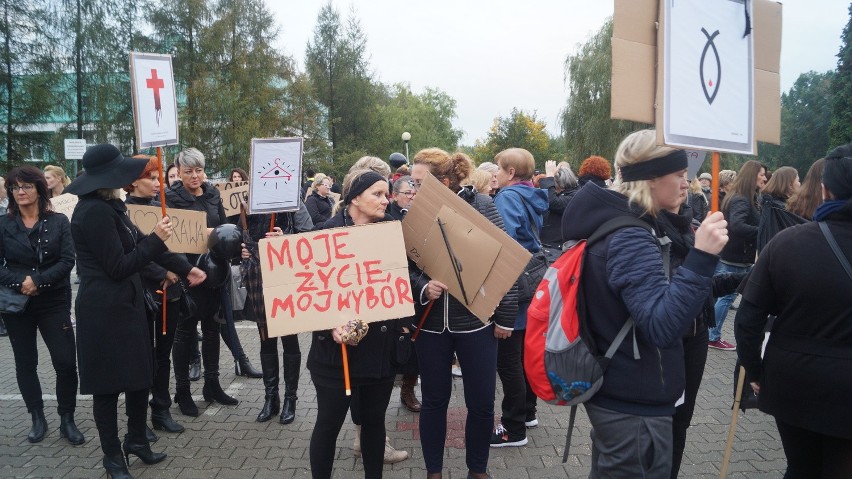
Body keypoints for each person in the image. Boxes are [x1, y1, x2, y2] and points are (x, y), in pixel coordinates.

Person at [560, 129, 727, 477]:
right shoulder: (631, 237)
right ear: (650, 178)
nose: (687, 183)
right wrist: (701, 257)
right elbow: (661, 326)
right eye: (679, 175)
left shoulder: (630, 226)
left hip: (628, 395)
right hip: (631, 405)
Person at [65, 144, 206, 478]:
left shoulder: (112, 206)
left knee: (138, 378)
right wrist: (157, 239)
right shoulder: (92, 212)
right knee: (108, 387)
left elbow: (144, 246)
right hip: (103, 311)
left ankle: (137, 439)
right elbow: (119, 265)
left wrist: (186, 268)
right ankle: (113, 456)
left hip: (128, 307)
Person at [735, 148, 852, 478]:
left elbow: (748, 319)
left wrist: (754, 370)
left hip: (793, 380)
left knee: (801, 467)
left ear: (825, 190)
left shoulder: (787, 243)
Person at [410, 148, 518, 479]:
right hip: (430, 325)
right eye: (411, 182)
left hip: (475, 322)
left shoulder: (482, 205)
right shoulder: (414, 212)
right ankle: (433, 472)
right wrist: (423, 288)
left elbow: (507, 261)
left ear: (442, 181)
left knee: (482, 402)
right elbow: (405, 266)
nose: (412, 189)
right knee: (433, 401)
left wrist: (506, 317)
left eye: (418, 182)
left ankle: (478, 469)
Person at [308, 169, 407, 479]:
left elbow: (401, 280)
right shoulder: (326, 233)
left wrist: (406, 318)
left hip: (378, 352)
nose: (385, 199)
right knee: (329, 423)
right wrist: (329, 327)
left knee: (375, 423)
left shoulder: (391, 231)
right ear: (354, 198)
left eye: (386, 193)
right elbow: (307, 294)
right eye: (377, 194)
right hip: (336, 357)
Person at [166, 147, 253, 418]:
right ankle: (182, 391)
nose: (195, 176)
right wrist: (183, 268)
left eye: (199, 170)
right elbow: (167, 237)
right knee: (185, 332)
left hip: (216, 273)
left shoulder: (213, 193)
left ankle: (212, 385)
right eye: (189, 171)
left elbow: (223, 229)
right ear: (179, 172)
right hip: (188, 273)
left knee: (213, 327)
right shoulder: (170, 197)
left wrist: (236, 248)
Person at [0, 166, 80, 445]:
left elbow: (67, 260)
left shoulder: (58, 221)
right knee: (25, 363)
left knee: (66, 361)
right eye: (15, 187)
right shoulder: (3, 224)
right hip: (17, 301)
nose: (20, 192)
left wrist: (39, 281)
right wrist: (21, 282)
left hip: (53, 299)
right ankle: (37, 417)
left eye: (26, 186)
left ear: (39, 189)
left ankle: (67, 419)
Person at [124, 156, 196, 436]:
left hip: (171, 292)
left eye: (158, 178)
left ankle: (161, 409)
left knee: (163, 353)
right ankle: (138, 418)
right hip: (142, 291)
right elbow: (132, 252)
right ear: (132, 182)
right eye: (151, 178)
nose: (158, 184)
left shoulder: (163, 207)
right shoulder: (124, 212)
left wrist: (178, 269)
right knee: (141, 356)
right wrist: (161, 272)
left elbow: (175, 245)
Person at [491, 148, 549, 448]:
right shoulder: (532, 194)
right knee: (526, 356)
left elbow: (505, 247)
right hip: (532, 283)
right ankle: (527, 412)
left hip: (515, 288)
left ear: (511, 172)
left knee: (509, 362)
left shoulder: (507, 197)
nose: (494, 174)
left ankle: (513, 428)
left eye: (498, 168)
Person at [241, 204, 313, 425]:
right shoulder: (250, 202)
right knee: (266, 339)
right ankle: (271, 398)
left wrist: (286, 238)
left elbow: (310, 236)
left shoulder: (294, 202)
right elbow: (239, 232)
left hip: (285, 275)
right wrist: (240, 248)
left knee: (289, 339)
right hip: (258, 276)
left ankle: (291, 399)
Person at [710, 160, 766, 350]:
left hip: (736, 252)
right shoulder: (742, 199)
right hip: (736, 254)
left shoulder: (744, 197)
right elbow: (738, 225)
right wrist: (762, 231)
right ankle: (713, 335)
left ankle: (710, 333)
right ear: (752, 176)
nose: (765, 178)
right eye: (761, 174)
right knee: (726, 296)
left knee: (722, 295)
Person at [387, 175, 420, 413]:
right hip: (394, 285)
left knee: (414, 343)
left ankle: (408, 389)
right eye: (408, 193)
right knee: (394, 339)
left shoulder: (421, 215)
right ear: (395, 195)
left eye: (415, 193)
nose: (412, 196)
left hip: (417, 284)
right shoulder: (387, 217)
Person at [539, 159, 579, 248]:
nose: (553, 190)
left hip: (558, 248)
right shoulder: (568, 194)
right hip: (551, 246)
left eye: (554, 186)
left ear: (561, 184)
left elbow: (552, 202)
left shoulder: (574, 197)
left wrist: (550, 176)